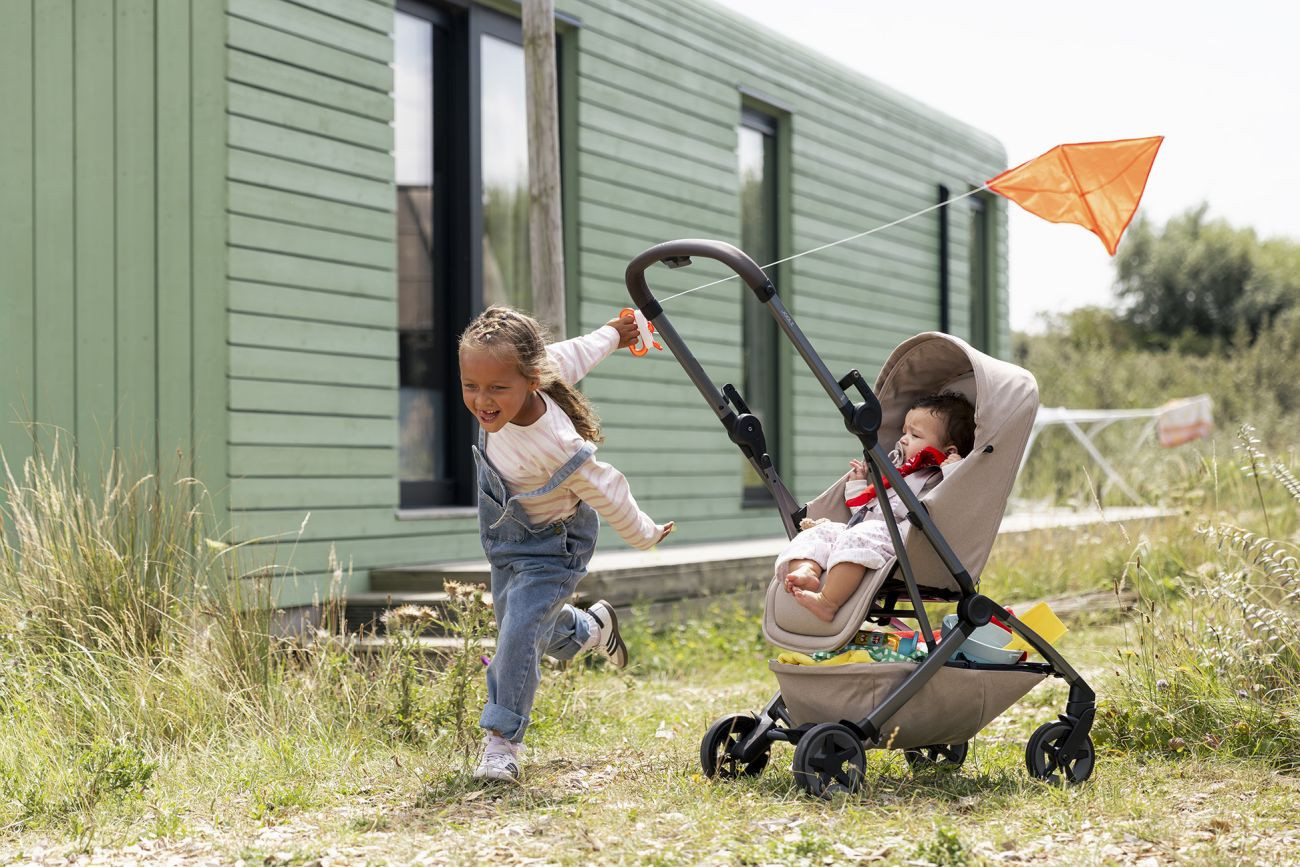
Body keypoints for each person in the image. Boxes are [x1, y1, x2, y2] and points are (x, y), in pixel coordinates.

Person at [459, 306, 674, 783]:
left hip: (555, 549)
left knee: (516, 638)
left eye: (497, 388)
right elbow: (575, 354)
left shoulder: (557, 443)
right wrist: (615, 334)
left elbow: (609, 489)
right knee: (529, 629)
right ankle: (591, 628)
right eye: (470, 385)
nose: (482, 400)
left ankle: (501, 743)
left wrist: (644, 535)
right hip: (508, 543)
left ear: (529, 381)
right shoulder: (536, 371)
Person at [779, 392, 975, 622]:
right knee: (818, 531)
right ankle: (808, 570)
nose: (903, 439)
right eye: (904, 432)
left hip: (906, 543)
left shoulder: (937, 478)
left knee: (861, 535)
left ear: (949, 451)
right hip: (870, 531)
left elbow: (954, 501)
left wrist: (954, 469)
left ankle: (828, 602)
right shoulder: (900, 474)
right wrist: (857, 485)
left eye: (914, 435)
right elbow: (866, 512)